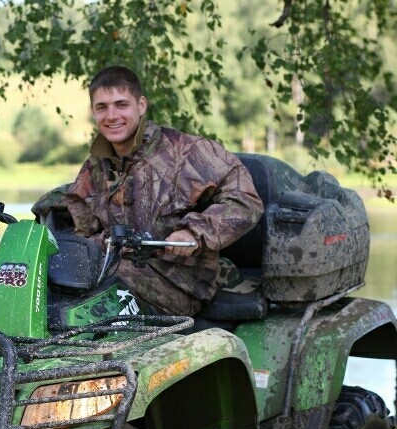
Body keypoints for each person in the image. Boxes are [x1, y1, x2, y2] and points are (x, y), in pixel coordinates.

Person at [41, 66, 263, 316]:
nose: (111, 116)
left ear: (141, 105)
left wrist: (194, 232)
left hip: (179, 281)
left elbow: (246, 201)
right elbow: (81, 232)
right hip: (111, 269)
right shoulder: (94, 167)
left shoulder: (187, 152)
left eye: (121, 105)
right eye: (102, 107)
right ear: (93, 111)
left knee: (99, 296)